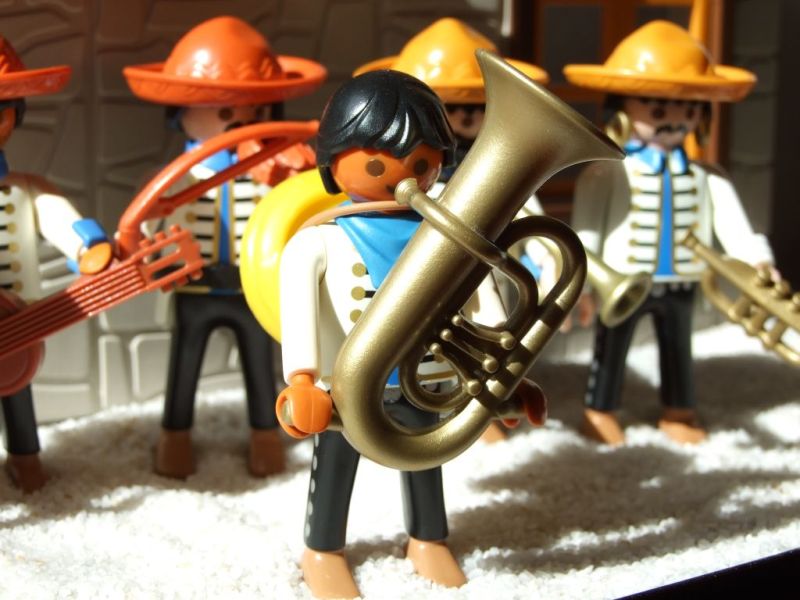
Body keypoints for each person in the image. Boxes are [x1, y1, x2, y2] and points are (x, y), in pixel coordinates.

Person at [276, 70, 508, 598]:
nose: (405, 178)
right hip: (346, 390)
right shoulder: (318, 242)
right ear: (333, 164)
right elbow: (300, 315)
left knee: (427, 463)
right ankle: (322, 550)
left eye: (422, 164)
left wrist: (504, 374)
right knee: (335, 469)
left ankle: (428, 539)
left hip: (425, 380)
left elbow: (484, 304)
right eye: (378, 164)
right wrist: (303, 379)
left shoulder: (449, 235)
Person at [123, 16, 326, 478]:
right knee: (184, 365)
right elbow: (145, 223)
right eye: (224, 109)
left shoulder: (275, 170)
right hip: (193, 288)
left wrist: (290, 174)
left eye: (253, 109)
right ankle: (175, 437)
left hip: (251, 290)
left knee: (260, 365)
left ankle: (264, 436)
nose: (240, 121)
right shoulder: (175, 177)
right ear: (181, 112)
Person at [564, 21, 776, 445]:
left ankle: (679, 410)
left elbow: (733, 226)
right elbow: (586, 232)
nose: (675, 121)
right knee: (611, 347)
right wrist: (580, 284)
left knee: (678, 348)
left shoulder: (707, 176)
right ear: (621, 110)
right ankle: (600, 410)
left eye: (688, 109)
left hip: (683, 280)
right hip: (624, 280)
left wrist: (757, 260)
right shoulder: (605, 173)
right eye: (658, 110)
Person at [0, 36, 112, 491]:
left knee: (17, 390)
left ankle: (26, 459)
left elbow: (60, 218)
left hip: (18, 320)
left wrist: (88, 247)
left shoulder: (25, 188)